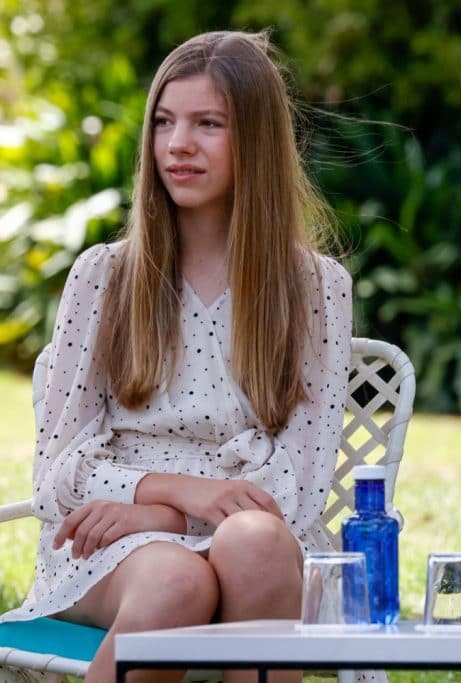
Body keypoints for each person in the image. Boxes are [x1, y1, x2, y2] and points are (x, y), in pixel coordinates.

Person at [0, 31, 369, 683]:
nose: (178, 146)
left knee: (253, 540)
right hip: (115, 547)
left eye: (208, 124)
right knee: (176, 579)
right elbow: (57, 473)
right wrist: (171, 496)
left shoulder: (316, 289)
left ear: (254, 141)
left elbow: (302, 487)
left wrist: (170, 511)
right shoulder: (106, 277)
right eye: (164, 123)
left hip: (257, 539)